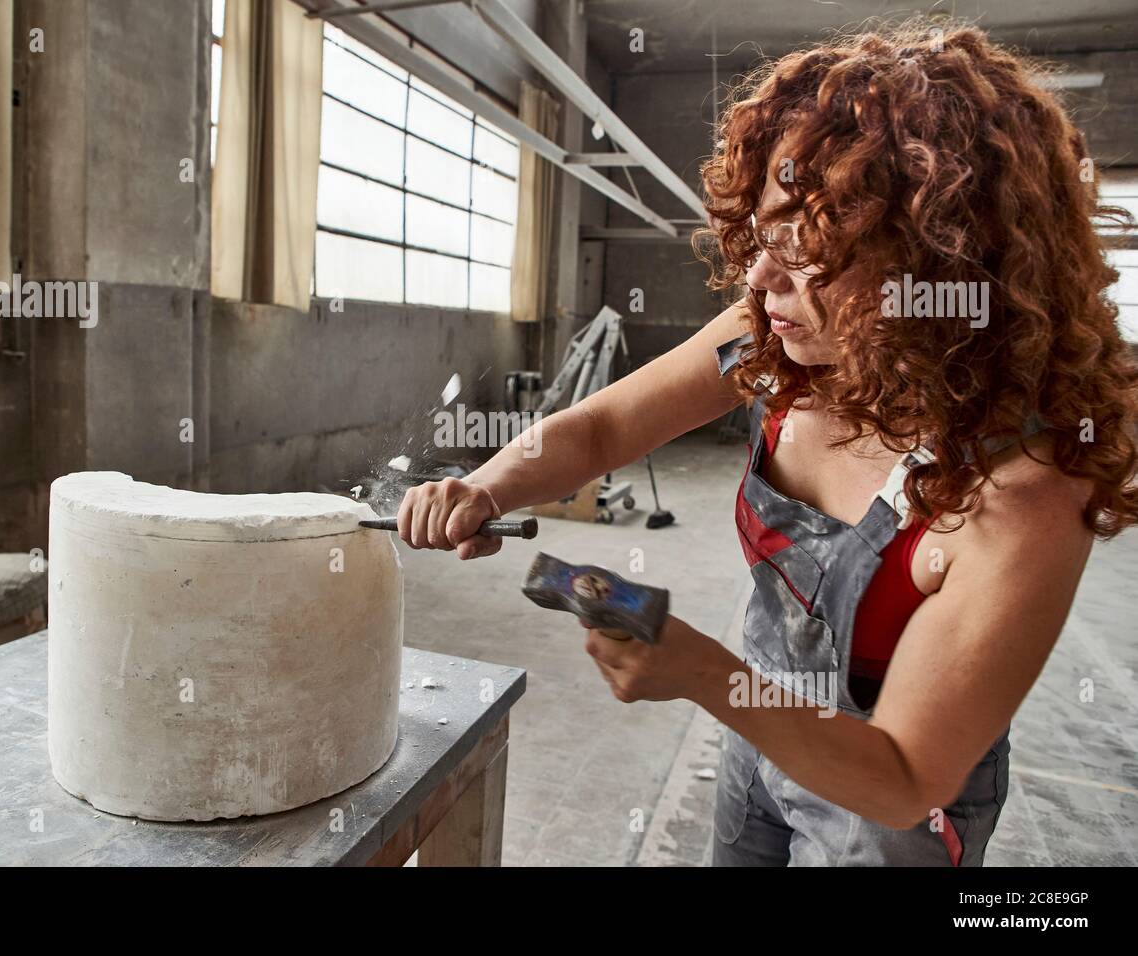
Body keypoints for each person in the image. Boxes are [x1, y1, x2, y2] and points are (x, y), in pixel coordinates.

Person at [396, 21, 1138, 865]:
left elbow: (901, 774)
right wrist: (486, 488)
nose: (758, 278)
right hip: (756, 739)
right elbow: (604, 424)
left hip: (880, 803)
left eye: (805, 247)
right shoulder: (773, 341)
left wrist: (706, 674)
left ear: (936, 264)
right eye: (761, 235)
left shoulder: (1022, 492)